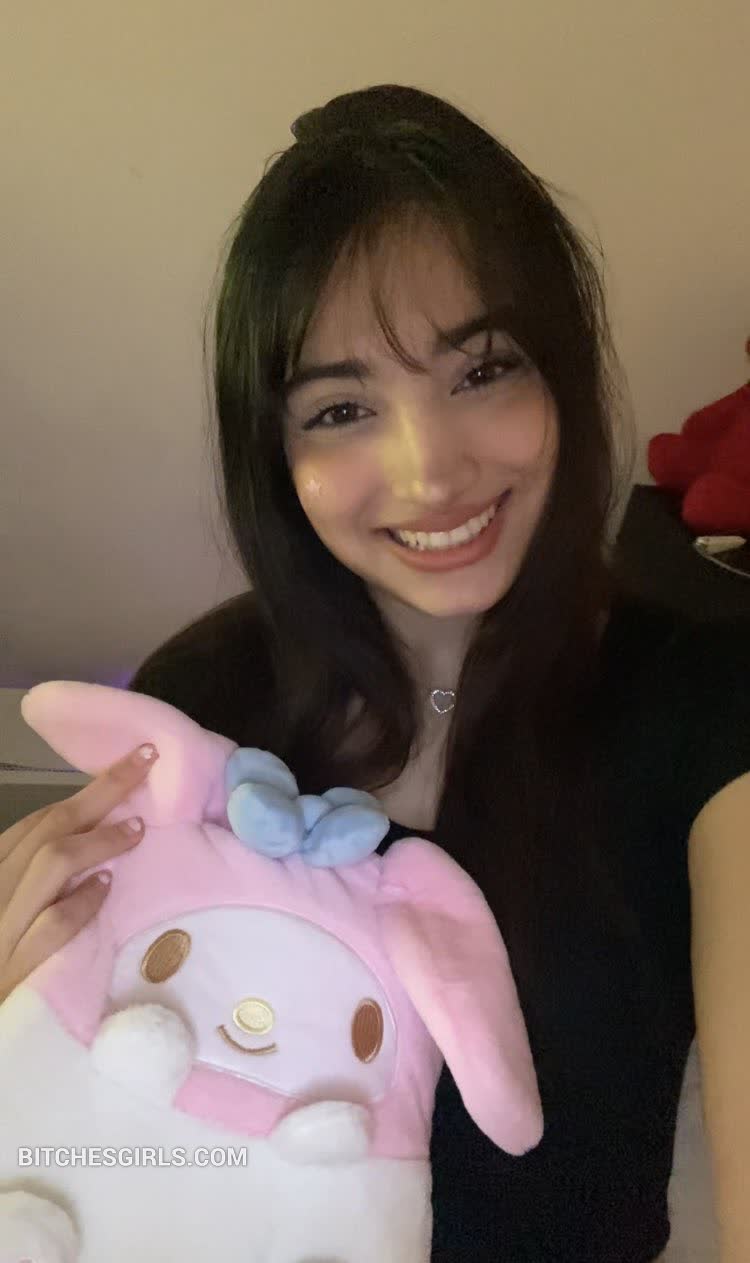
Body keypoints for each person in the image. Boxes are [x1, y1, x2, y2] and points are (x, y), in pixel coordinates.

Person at [2, 85, 749, 1262]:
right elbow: (112, 1145)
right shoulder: (201, 702)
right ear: (276, 452)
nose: (429, 472)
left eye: (483, 370)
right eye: (343, 407)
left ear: (561, 374)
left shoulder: (707, 705)